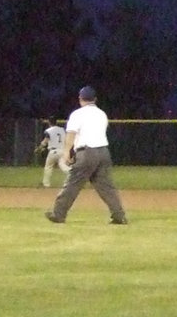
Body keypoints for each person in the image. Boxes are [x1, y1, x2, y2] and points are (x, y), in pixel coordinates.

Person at [45, 86, 128, 225]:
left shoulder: (78, 114)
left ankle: (58, 214)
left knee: (72, 184)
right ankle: (119, 215)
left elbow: (71, 135)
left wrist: (67, 153)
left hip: (87, 152)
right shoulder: (102, 114)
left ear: (80, 98)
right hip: (103, 152)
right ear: (95, 99)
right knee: (106, 187)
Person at [37, 118, 71, 188]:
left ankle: (46, 184)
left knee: (48, 167)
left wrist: (39, 148)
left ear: (49, 123)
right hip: (62, 150)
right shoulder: (62, 130)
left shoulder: (48, 131)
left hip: (53, 151)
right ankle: (70, 176)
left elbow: (45, 140)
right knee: (63, 166)